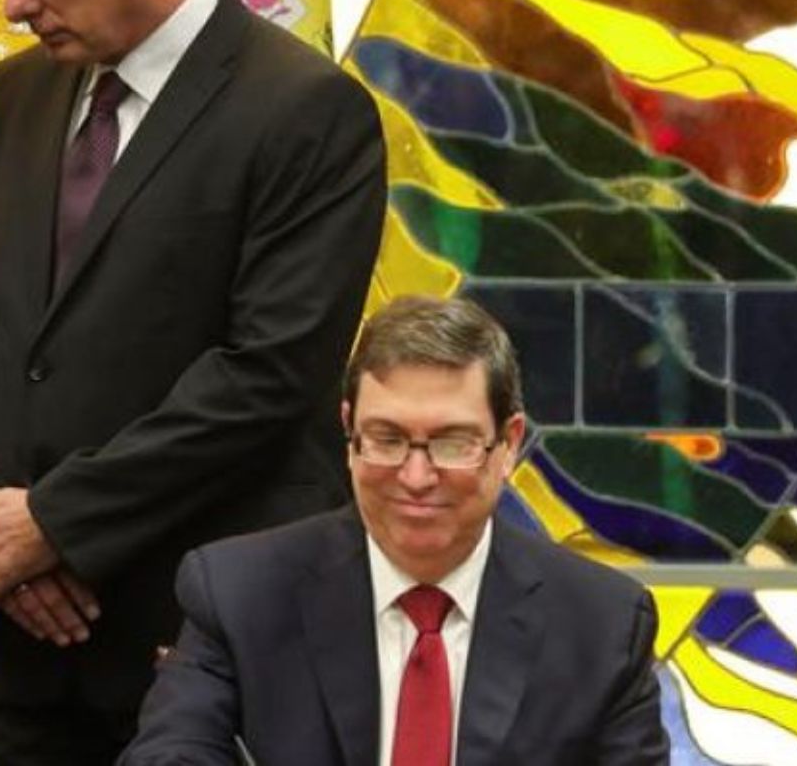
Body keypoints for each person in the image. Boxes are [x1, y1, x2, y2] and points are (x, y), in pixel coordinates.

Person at [0, 0, 387, 764]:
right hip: (32, 646)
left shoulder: (306, 112)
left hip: (210, 651)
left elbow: (268, 372)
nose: (13, 3)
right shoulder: (15, 97)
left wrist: (56, 522)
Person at [121, 296, 670, 765]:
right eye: (385, 438)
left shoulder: (603, 625)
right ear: (348, 432)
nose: (415, 476)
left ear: (507, 445)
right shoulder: (236, 592)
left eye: (452, 443)